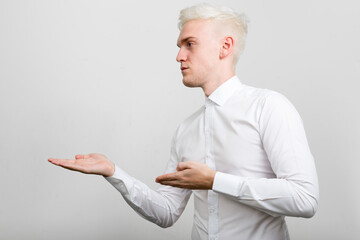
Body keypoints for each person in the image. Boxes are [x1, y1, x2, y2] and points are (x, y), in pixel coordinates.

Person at [48, 3, 319, 240]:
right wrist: (113, 172)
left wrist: (215, 181)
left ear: (225, 47)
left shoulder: (269, 107)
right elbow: (167, 212)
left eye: (190, 44)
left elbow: (304, 198)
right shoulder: (186, 130)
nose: (179, 56)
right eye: (179, 46)